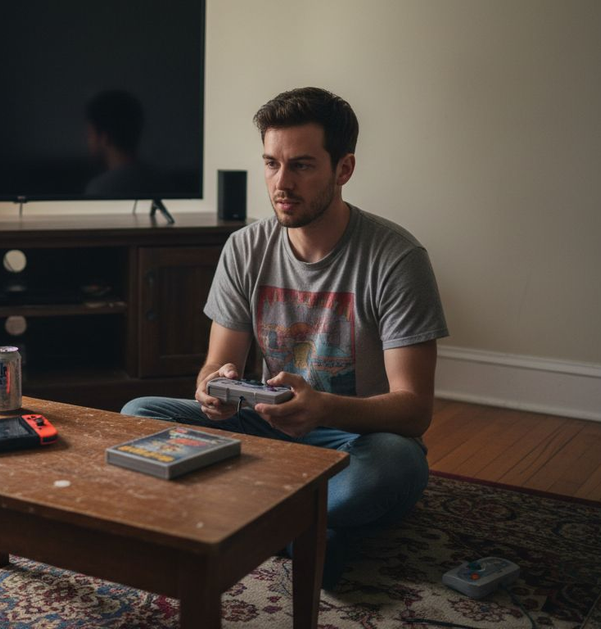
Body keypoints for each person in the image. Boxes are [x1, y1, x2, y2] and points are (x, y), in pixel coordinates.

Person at [121, 87, 449, 589]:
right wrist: (215, 391)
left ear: (344, 169)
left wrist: (324, 408)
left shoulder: (397, 259)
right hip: (264, 431)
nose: (281, 183)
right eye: (271, 164)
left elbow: (413, 409)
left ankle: (251, 514)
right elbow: (214, 366)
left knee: (397, 466)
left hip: (354, 442)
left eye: (302, 166)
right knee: (140, 414)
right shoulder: (244, 247)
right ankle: (304, 524)